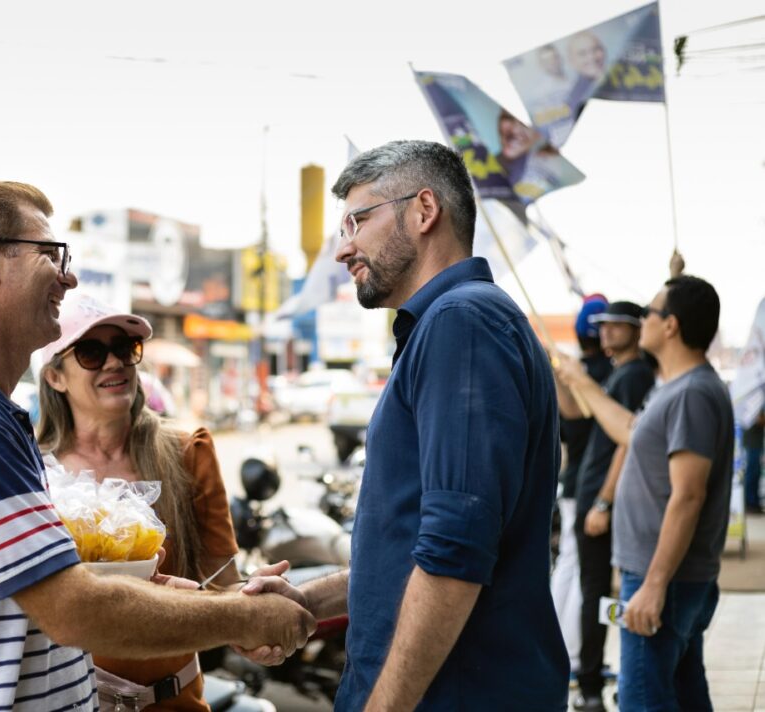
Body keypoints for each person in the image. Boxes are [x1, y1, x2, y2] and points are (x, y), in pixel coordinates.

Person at [0, 181, 314, 711]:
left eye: (126, 348)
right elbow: (73, 609)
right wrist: (246, 617)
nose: (69, 276)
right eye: (52, 255)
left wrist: (212, 601)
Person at [243, 140, 568, 710]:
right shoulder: (449, 324)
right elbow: (419, 552)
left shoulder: (462, 323)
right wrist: (306, 599)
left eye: (357, 221)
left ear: (423, 211)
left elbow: (454, 556)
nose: (345, 249)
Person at [35, 293, 241, 710]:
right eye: (91, 352)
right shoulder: (31, 471)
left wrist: (256, 606)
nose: (114, 363)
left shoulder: (187, 452)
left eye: (125, 349)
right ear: (55, 377)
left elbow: (224, 583)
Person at [555, 275, 732, 711]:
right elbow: (629, 432)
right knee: (686, 692)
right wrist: (578, 380)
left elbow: (687, 496)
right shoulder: (676, 387)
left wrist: (653, 586)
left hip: (664, 579)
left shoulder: (692, 393)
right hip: (665, 576)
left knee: (642, 699)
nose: (642, 321)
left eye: (650, 312)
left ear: (669, 325)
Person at [556, 301, 656, 712]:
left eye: (619, 325)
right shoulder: (620, 373)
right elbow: (576, 411)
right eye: (604, 326)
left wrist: (603, 501)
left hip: (602, 501)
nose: (608, 332)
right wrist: (562, 375)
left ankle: (592, 684)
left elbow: (626, 443)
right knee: (589, 587)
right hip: (589, 497)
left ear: (638, 330)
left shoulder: (634, 376)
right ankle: (593, 677)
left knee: (596, 590)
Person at [551, 294, 612, 678]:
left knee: (570, 567)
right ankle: (569, 653)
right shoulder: (607, 375)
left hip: (575, 485)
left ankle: (564, 649)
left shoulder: (570, 374)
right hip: (591, 489)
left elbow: (566, 428)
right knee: (581, 571)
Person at [566, 31, 608, 116]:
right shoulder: (576, 99)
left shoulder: (627, 75)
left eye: (595, 49)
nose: (591, 57)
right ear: (572, 61)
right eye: (582, 54)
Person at [743, 411, 763, 514]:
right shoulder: (756, 401)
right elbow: (758, 419)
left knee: (755, 473)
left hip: (754, 442)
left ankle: (753, 502)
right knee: (752, 473)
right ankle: (750, 503)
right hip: (752, 442)